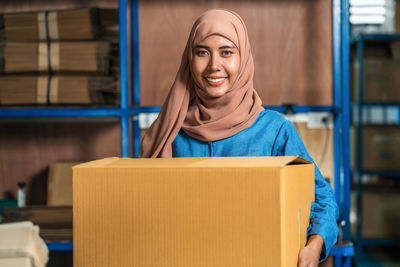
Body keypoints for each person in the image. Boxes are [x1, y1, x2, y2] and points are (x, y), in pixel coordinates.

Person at [140, 9, 338, 266]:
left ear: (243, 58)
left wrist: (314, 245)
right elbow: (140, 201)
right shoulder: (167, 131)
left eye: (226, 52)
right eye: (202, 52)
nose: (214, 65)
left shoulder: (274, 131)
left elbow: (321, 197)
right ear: (189, 59)